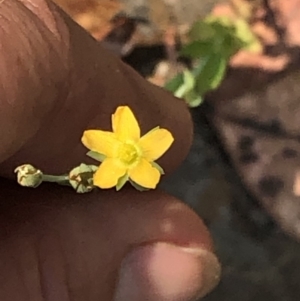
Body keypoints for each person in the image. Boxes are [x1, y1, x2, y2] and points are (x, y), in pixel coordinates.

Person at [0, 0, 221, 300]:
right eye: (128, 152)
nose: (129, 153)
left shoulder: (138, 154)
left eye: (130, 151)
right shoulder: (109, 165)